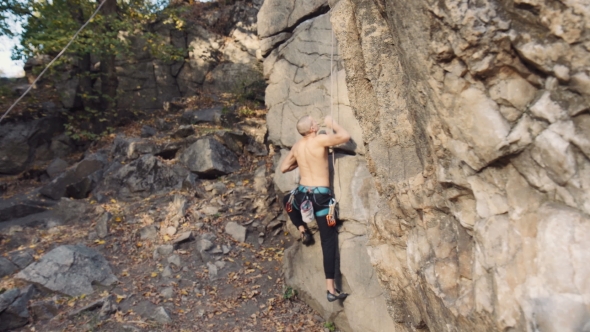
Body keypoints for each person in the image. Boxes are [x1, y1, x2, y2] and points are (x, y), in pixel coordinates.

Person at [280, 114, 351, 302]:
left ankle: (303, 230)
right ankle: (331, 289)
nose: (317, 123)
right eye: (314, 123)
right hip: (321, 198)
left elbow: (284, 168)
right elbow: (345, 137)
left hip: (303, 194)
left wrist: (301, 161)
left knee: (287, 200)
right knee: (328, 241)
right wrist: (332, 123)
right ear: (311, 129)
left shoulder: (297, 146)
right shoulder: (320, 141)